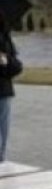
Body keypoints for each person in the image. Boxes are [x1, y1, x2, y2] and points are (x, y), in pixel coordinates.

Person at [0, 14, 23, 162]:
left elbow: (17, 66)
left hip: (4, 90)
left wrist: (5, 61)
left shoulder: (5, 37)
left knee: (3, 129)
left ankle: (2, 159)